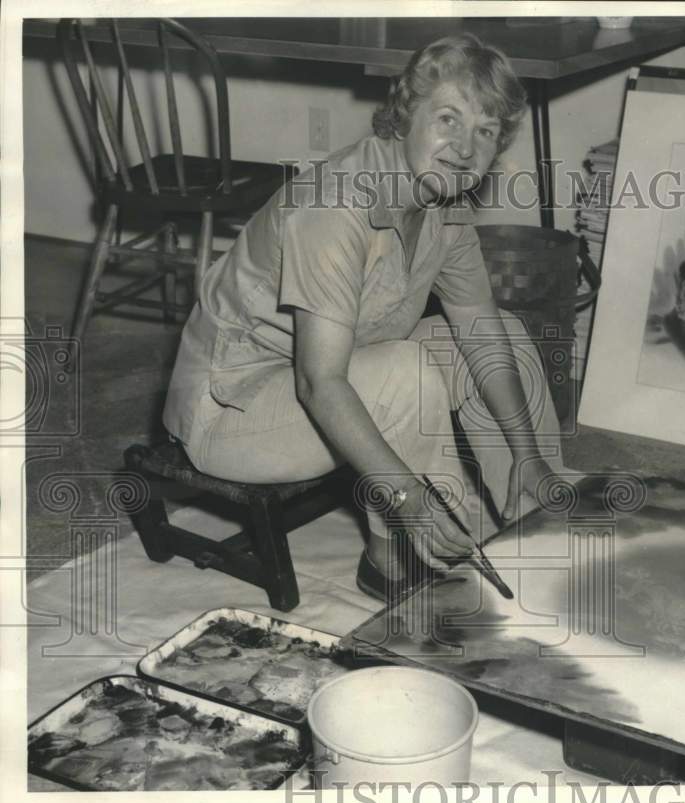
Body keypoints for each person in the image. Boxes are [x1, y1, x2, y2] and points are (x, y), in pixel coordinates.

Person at [163, 34, 564, 601]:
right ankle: (393, 558)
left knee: (507, 342)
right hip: (234, 407)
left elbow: (481, 329)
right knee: (407, 373)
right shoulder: (335, 204)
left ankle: (534, 522)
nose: (465, 147)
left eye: (486, 131)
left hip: (334, 369)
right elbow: (319, 381)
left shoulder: (446, 203)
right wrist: (409, 497)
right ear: (406, 116)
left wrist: (527, 455)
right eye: (448, 118)